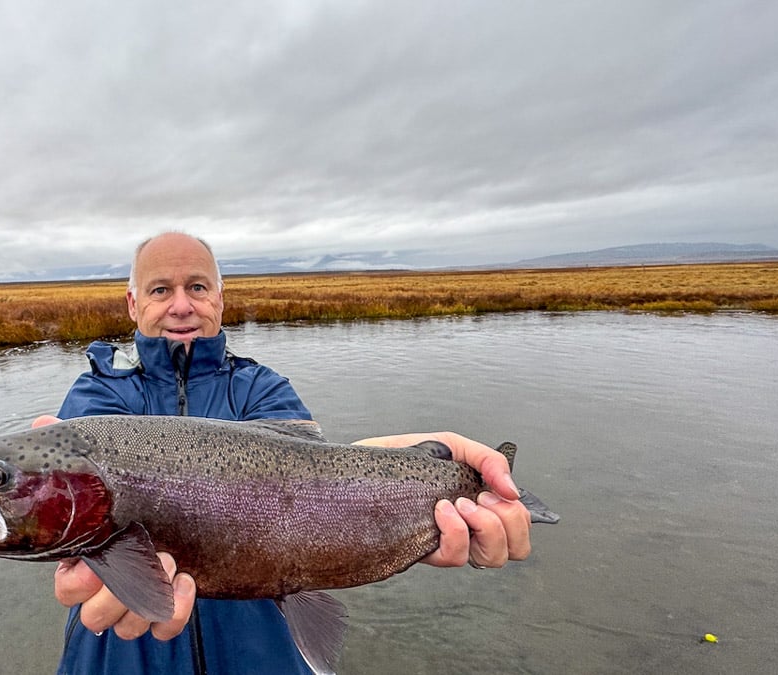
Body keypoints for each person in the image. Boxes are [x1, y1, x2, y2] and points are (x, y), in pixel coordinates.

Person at [34, 232, 533, 675]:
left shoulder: (263, 388)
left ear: (220, 300)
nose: (181, 304)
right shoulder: (98, 397)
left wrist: (421, 465)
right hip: (119, 650)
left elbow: (309, 480)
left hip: (262, 647)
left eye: (198, 287)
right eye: (161, 289)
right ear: (132, 303)